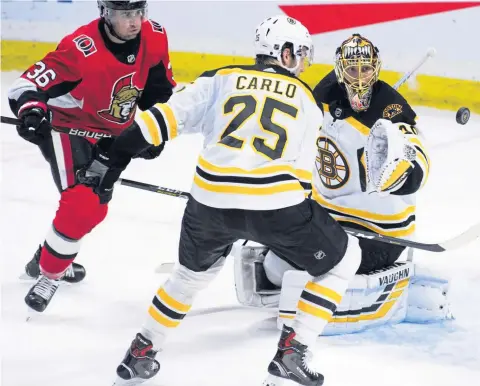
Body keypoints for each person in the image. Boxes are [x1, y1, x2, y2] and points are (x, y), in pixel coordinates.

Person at [78, 14, 361, 386]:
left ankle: (141, 352)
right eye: (301, 54)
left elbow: (152, 125)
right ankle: (294, 350)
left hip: (209, 203)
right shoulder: (307, 100)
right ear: (285, 53)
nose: (303, 63)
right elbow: (303, 181)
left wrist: (108, 164)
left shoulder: (219, 78)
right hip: (277, 206)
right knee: (344, 258)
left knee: (189, 277)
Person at [234, 34, 449, 334]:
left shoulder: (390, 110)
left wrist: (401, 172)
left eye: (365, 70)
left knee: (295, 270)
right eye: (352, 70)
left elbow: (417, 156)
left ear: (376, 69)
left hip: (380, 234)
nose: (359, 78)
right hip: (331, 219)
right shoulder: (324, 95)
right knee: (273, 267)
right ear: (339, 70)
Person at [7, 0, 176, 312]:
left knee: (94, 206)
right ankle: (50, 274)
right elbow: (26, 85)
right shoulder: (80, 48)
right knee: (84, 202)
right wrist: (31, 111)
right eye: (125, 14)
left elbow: (158, 93)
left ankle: (49, 255)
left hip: (115, 136)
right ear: (105, 13)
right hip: (68, 129)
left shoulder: (155, 36)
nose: (135, 22)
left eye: (139, 12)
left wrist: (153, 129)